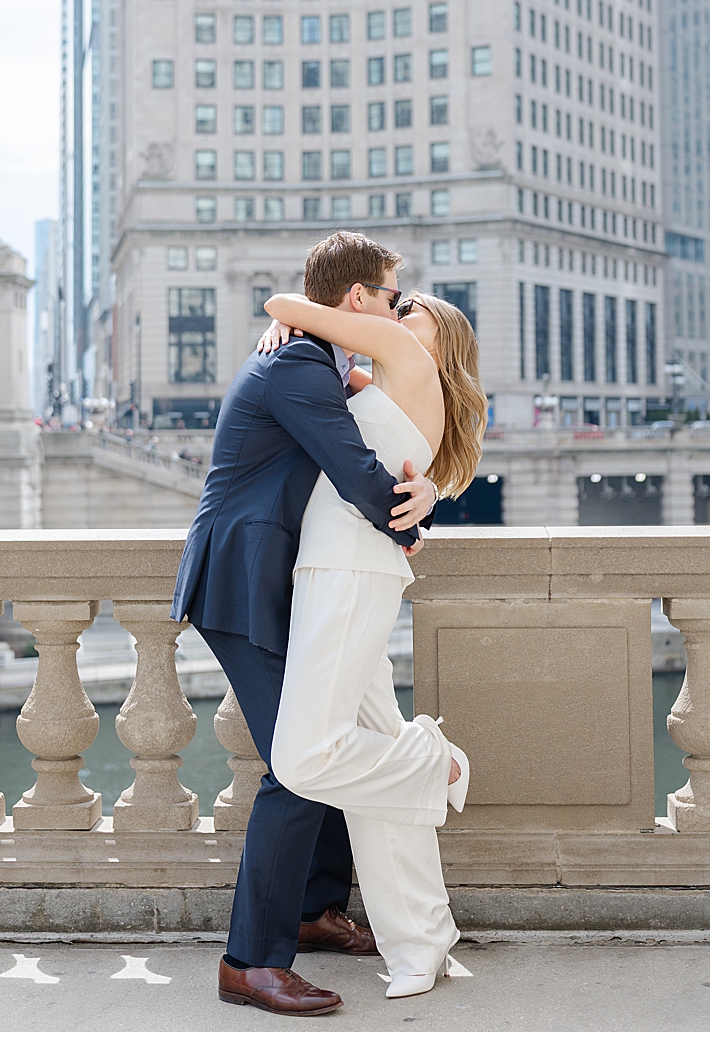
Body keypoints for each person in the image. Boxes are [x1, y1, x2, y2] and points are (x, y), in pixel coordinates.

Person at [170, 231, 439, 1017]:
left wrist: (424, 497)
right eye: (390, 296)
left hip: (268, 578)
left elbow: (391, 436)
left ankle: (313, 909)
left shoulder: (314, 357)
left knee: (310, 737)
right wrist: (409, 523)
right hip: (241, 582)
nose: (395, 308)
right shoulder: (295, 363)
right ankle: (250, 962)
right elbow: (355, 462)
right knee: (297, 762)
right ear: (357, 298)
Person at [258, 275, 486, 999]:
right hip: (341, 566)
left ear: (435, 335)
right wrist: (292, 338)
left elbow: (284, 304)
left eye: (405, 305)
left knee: (304, 756)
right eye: (390, 299)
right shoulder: (385, 375)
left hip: (348, 569)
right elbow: (321, 360)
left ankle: (437, 762)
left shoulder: (406, 357)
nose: (393, 308)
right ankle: (422, 940)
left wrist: (287, 323)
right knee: (368, 773)